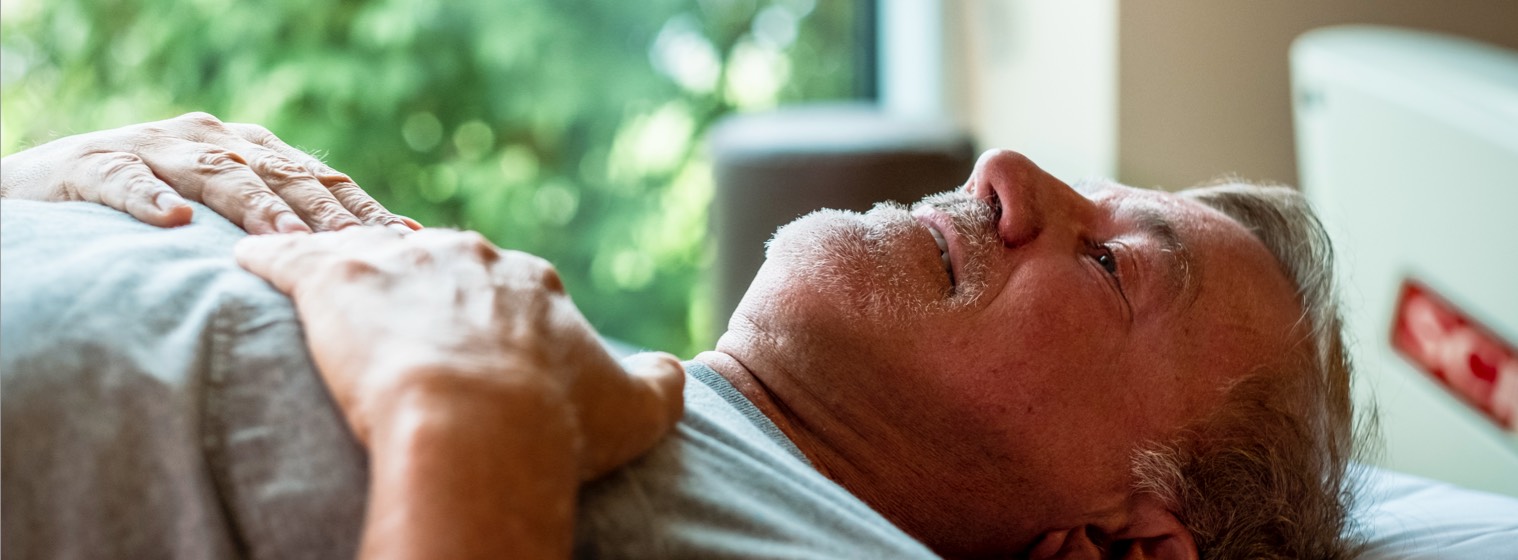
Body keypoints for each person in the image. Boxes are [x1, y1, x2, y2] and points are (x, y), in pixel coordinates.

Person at [0, 113, 1360, 559]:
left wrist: (461, 419)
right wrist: (55, 178)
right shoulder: (527, 328)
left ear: (1121, 543)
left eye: (1116, 264)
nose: (1004, 171)